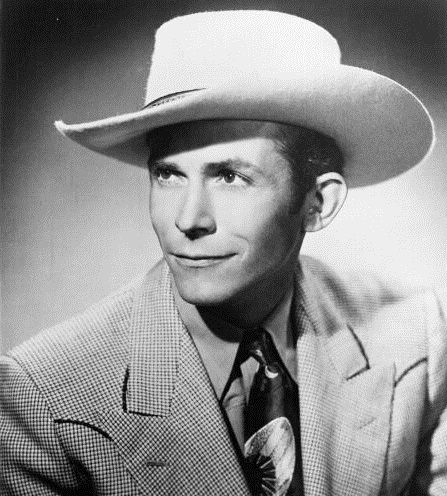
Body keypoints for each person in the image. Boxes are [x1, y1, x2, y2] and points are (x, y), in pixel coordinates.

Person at [1, 10, 446, 496]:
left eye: (230, 176)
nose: (188, 219)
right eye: (168, 174)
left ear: (318, 203)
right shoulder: (42, 396)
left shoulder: (413, 334)